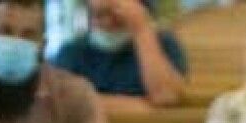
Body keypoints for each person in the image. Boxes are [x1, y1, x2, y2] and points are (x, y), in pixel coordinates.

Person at [52, 0, 188, 111]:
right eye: (99, 15)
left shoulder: (163, 43)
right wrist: (137, 106)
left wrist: (141, 29)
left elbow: (166, 96)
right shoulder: (72, 51)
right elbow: (59, 102)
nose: (106, 23)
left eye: (115, 15)